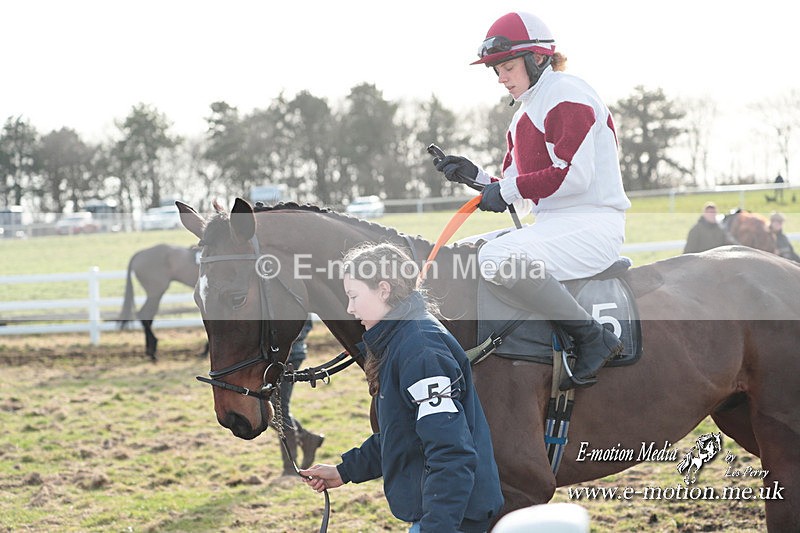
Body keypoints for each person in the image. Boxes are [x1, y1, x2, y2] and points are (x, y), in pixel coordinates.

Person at [432, 11, 630, 390]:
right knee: (457, 256)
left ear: (538, 58)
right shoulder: (522, 117)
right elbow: (516, 194)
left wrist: (507, 189)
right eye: (497, 70)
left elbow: (573, 175)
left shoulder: (567, 93)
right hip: (556, 227)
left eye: (507, 67)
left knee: (495, 257)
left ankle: (592, 337)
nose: (501, 78)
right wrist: (474, 177)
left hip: (594, 226)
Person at [300, 242, 504, 533]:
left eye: (354, 296)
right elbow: (403, 434)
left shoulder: (421, 350)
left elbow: (452, 452)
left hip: (451, 521)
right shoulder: (401, 340)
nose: (350, 308)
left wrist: (437, 528)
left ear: (384, 290)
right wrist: (344, 472)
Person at [273, 317, 325, 475]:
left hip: (287, 355)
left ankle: (290, 469)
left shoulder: (291, 293)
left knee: (277, 408)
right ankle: (307, 438)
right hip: (273, 356)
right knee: (270, 407)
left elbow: (303, 325)